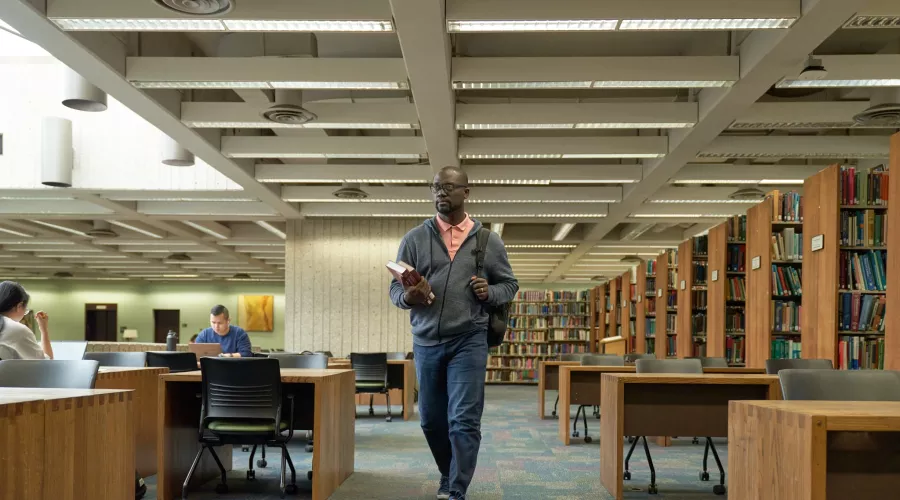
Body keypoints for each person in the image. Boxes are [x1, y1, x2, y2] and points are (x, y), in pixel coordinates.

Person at [389, 166, 518, 500]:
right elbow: (394, 289)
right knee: (431, 420)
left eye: (447, 186)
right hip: (426, 340)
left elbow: (510, 285)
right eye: (435, 187)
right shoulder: (415, 238)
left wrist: (491, 292)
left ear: (466, 192)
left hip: (469, 339)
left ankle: (456, 489)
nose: (440, 193)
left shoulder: (489, 241)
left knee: (463, 419)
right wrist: (407, 297)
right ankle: (448, 473)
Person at [0, 281, 54, 359]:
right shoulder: (17, 330)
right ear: (19, 306)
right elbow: (47, 365)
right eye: (26, 310)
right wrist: (44, 330)